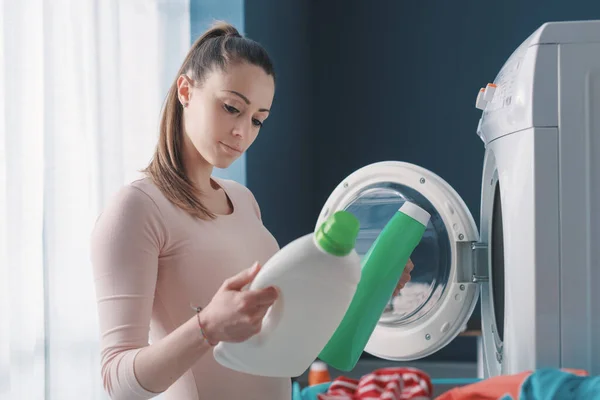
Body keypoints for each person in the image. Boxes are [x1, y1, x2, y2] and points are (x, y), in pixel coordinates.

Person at [90, 21, 415, 400]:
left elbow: (284, 340)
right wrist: (207, 326)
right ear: (185, 91)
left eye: (258, 119)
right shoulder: (136, 209)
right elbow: (117, 382)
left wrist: (369, 290)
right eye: (232, 108)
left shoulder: (243, 200)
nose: (243, 132)